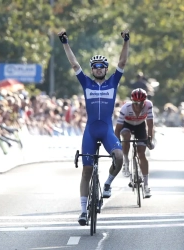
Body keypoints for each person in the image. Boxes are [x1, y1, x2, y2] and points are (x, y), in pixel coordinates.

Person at [58, 29, 130, 226]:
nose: (98, 69)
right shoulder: (86, 82)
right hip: (90, 130)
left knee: (119, 157)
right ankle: (82, 211)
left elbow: (122, 63)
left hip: (106, 129)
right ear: (92, 69)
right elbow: (74, 64)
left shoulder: (113, 83)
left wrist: (126, 41)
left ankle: (107, 183)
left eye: (102, 66)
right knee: (86, 170)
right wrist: (65, 43)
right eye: (95, 66)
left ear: (106, 69)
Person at [114, 88, 154, 198]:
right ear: (132, 101)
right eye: (136, 103)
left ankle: (146, 186)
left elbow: (150, 125)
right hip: (127, 125)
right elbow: (117, 130)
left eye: (141, 103)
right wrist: (117, 146)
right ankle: (126, 161)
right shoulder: (125, 108)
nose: (139, 105)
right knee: (126, 136)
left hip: (140, 126)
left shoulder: (148, 105)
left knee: (142, 154)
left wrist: (150, 140)